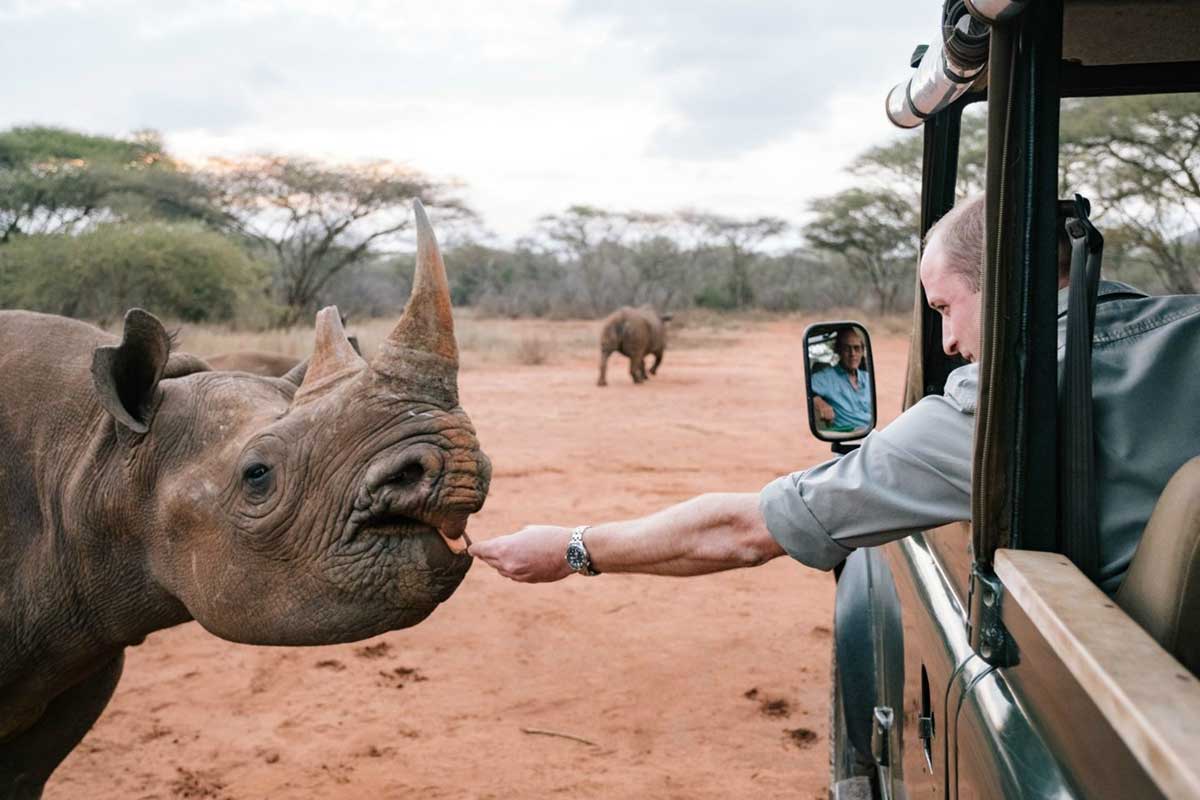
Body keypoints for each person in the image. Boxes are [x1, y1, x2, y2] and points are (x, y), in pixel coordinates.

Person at [470, 195, 1200, 596]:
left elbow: (740, 530)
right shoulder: (1187, 327)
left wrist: (571, 548)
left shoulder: (995, 412)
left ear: (1007, 284)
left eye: (946, 307)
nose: (947, 344)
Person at [810, 328, 872, 433]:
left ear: (862, 352)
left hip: (871, 431)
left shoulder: (867, 378)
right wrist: (820, 403)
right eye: (847, 349)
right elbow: (804, 390)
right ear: (838, 350)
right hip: (847, 435)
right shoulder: (826, 377)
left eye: (857, 348)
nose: (853, 354)